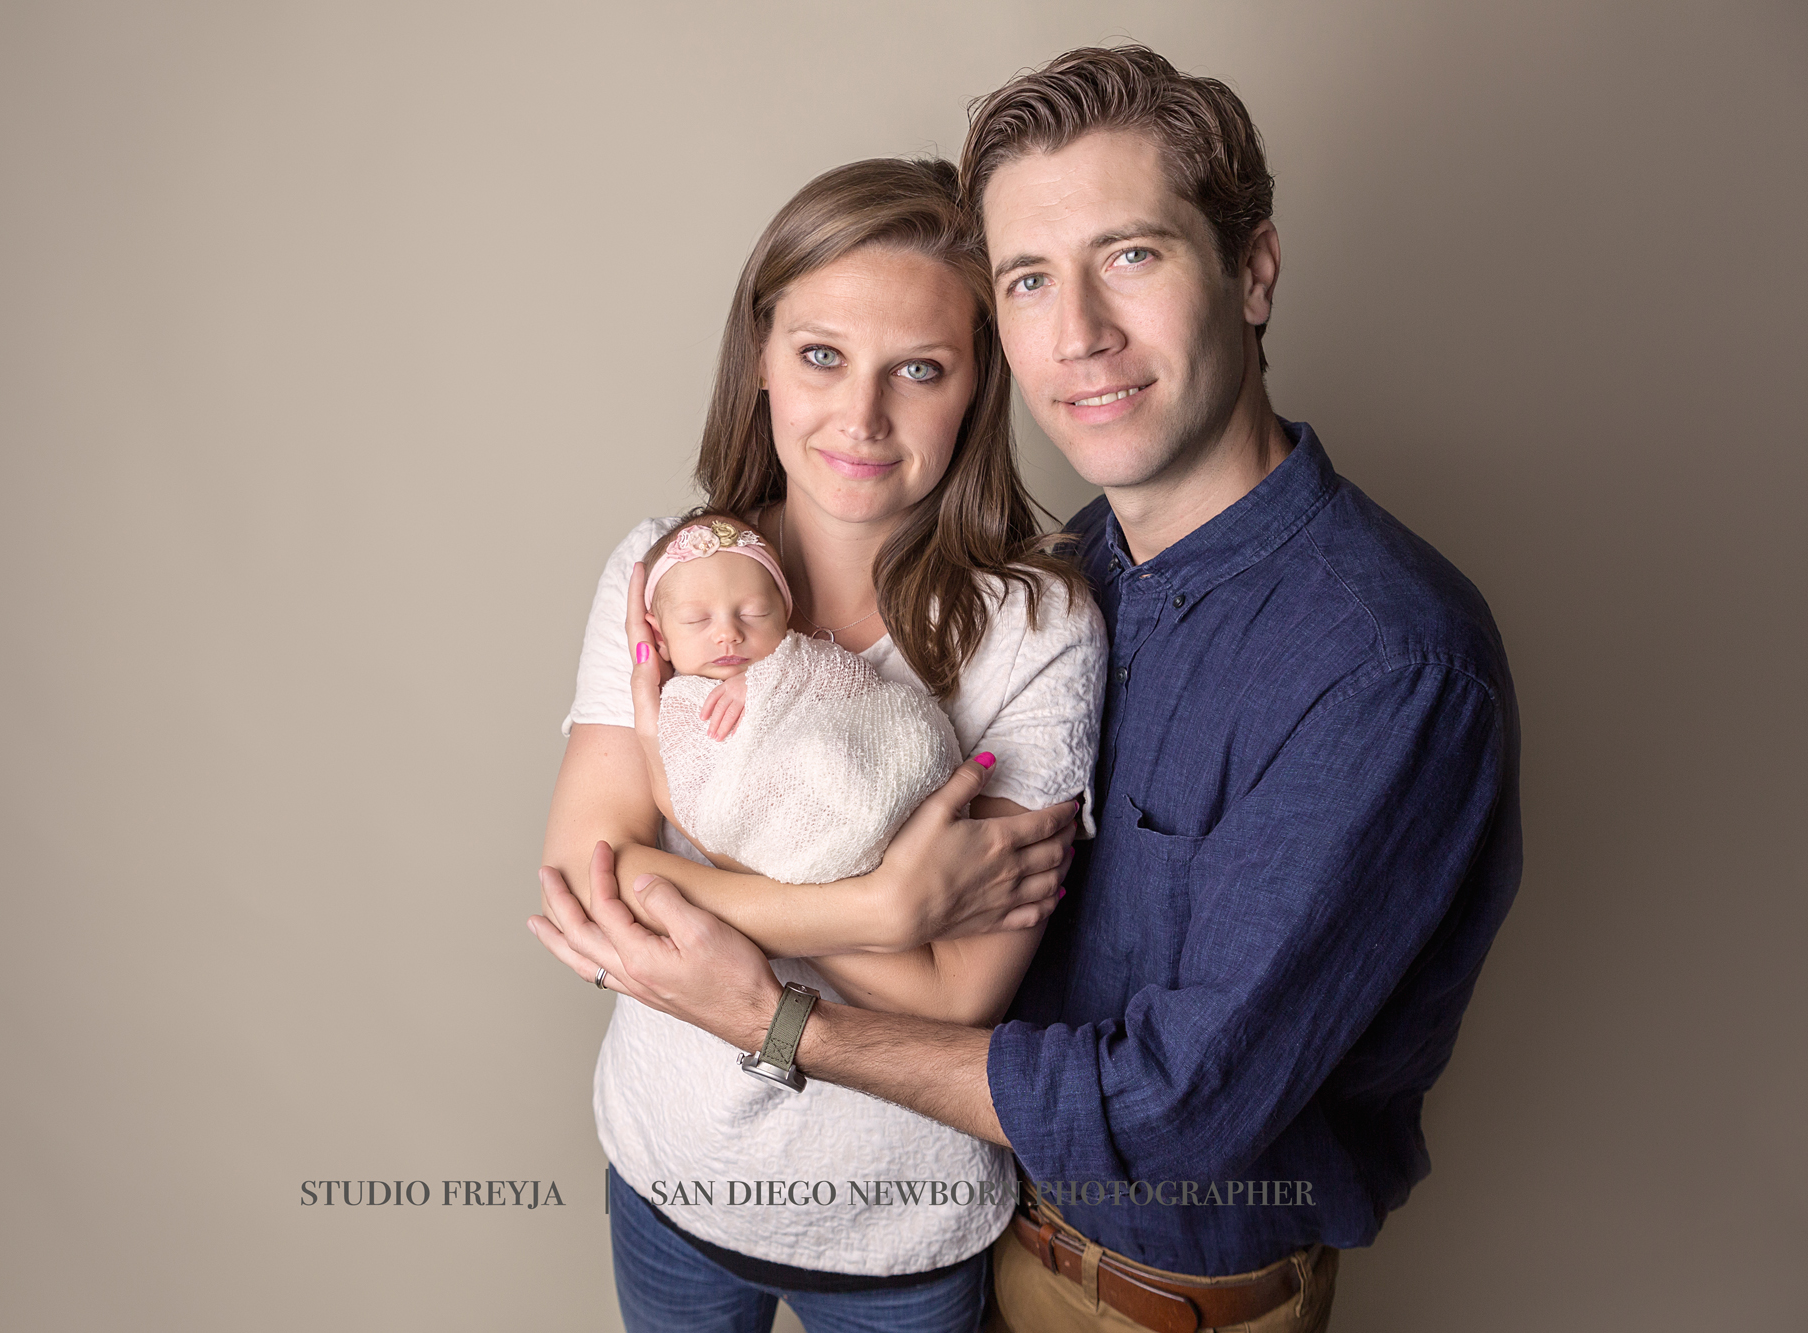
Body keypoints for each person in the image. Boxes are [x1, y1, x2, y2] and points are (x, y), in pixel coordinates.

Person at [532, 45, 1522, 1333]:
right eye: (1030, 279)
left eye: (1133, 256)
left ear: (1254, 271)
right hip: (992, 1231)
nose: (1080, 335)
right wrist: (885, 906)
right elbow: (594, 884)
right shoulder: (1093, 568)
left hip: (1153, 1294)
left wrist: (770, 1010)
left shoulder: (1382, 662)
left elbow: (1172, 1107)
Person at [530, 157, 1106, 1331]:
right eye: (821, 356)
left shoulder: (1039, 633)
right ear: (760, 358)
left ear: (978, 386)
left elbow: (954, 1005)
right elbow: (592, 884)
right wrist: (876, 912)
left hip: (901, 1222)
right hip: (665, 1173)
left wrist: (693, 892)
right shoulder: (667, 573)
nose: (860, 416)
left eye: (920, 371)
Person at [639, 513, 964, 887]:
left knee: (837, 748)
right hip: (767, 837)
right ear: (660, 636)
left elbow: (854, 681)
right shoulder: (676, 702)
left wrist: (765, 681)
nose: (728, 633)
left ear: (784, 613)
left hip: (857, 777)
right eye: (698, 620)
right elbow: (695, 799)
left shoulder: (797, 659)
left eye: (753, 613)